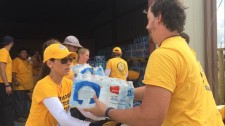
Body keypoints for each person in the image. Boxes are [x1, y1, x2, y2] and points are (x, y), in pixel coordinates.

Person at [84, 0, 224, 125]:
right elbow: (159, 91)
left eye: (148, 19)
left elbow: (150, 118)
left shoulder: (164, 54)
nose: (147, 26)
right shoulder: (185, 49)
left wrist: (106, 111)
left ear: (159, 17)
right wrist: (123, 92)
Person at [25, 43, 90, 126]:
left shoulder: (69, 84)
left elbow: (82, 107)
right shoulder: (44, 85)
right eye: (63, 60)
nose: (69, 63)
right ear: (50, 63)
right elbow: (62, 118)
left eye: (70, 59)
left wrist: (105, 114)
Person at [12, 48, 34, 122]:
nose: (25, 54)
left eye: (25, 52)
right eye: (22, 52)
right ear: (19, 54)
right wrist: (15, 81)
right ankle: (19, 116)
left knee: (26, 102)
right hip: (19, 86)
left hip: (28, 86)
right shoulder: (16, 61)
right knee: (19, 102)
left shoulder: (28, 61)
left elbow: (35, 68)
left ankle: (24, 115)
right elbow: (13, 72)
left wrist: (31, 61)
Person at [0, 35, 15, 126]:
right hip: (4, 83)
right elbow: (2, 69)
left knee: (4, 105)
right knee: (8, 105)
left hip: (3, 82)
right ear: (12, 43)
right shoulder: (4, 52)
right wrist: (7, 85)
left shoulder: (2, 52)